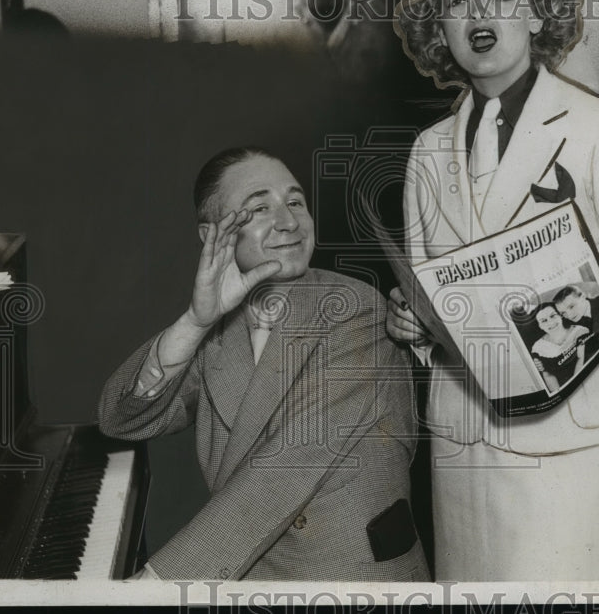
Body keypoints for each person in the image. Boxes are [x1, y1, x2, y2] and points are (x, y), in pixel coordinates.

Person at [385, 0, 599, 580]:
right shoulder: (426, 153)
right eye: (459, 3)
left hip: (570, 435)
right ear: (440, 29)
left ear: (535, 12)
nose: (481, 15)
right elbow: (429, 290)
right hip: (462, 433)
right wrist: (411, 323)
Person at [98, 147, 428, 581]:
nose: (289, 222)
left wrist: (158, 584)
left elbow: (286, 468)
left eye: (295, 202)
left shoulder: (357, 311)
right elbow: (122, 419)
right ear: (211, 235)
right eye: (259, 208)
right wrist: (196, 322)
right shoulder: (220, 330)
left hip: (349, 582)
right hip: (249, 574)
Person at [529, 302, 589, 391]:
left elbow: (582, 359)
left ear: (560, 315)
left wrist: (575, 387)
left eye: (553, 316)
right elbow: (548, 374)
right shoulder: (538, 347)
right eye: (544, 321)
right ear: (540, 326)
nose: (550, 322)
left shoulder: (579, 331)